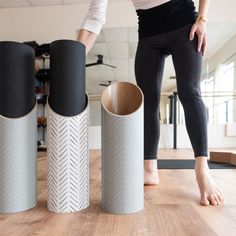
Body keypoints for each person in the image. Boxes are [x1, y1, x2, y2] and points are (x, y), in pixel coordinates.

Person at [77, 0, 224, 206]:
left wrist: (202, 18)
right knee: (147, 103)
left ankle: (202, 169)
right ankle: (149, 170)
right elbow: (95, 15)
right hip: (148, 32)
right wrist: (74, 57)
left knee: (189, 92)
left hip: (184, 24)